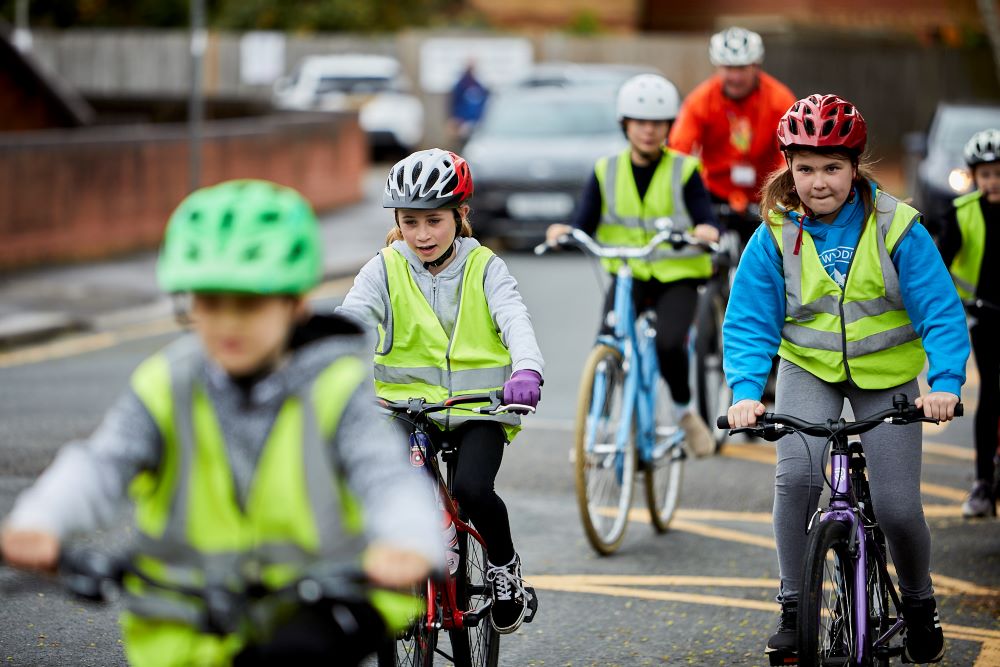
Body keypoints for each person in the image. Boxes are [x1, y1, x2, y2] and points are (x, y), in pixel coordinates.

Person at [0, 180, 443, 667]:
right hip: (183, 628)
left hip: (314, 610)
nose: (228, 324)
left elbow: (384, 477)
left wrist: (407, 540)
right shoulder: (168, 382)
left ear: (295, 305)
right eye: (209, 304)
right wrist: (40, 518)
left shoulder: (334, 388)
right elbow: (103, 464)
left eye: (249, 304)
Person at [723, 94, 969, 664]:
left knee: (899, 507)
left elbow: (940, 310)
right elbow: (750, 322)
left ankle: (918, 601)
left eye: (831, 167)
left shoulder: (897, 227)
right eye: (804, 168)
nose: (817, 181)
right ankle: (792, 608)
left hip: (887, 380)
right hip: (809, 371)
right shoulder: (775, 233)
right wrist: (744, 394)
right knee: (795, 481)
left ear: (855, 166)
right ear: (789, 167)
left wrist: (948, 384)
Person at [336, 148, 544, 635]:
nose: (422, 235)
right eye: (410, 222)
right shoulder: (383, 268)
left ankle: (504, 568)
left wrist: (527, 370)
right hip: (404, 410)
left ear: (461, 215)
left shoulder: (484, 266)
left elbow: (515, 318)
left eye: (434, 220)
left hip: (481, 408)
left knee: (472, 489)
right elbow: (350, 322)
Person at [546, 73, 720, 457]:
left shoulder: (685, 170)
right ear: (625, 125)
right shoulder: (605, 170)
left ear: (668, 127)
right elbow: (584, 221)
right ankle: (592, 431)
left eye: (657, 123)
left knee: (671, 345)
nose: (648, 131)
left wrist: (707, 229)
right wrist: (566, 231)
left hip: (678, 277)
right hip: (628, 274)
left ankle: (684, 412)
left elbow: (706, 217)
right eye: (640, 122)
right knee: (606, 343)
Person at [669, 26, 796, 244]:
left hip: (765, 193)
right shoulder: (700, 101)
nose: (735, 77)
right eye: (729, 68)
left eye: (742, 68)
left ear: (756, 66)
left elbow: (790, 152)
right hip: (714, 192)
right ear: (717, 66)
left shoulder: (780, 99)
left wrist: (783, 190)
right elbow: (678, 151)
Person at [936, 128, 1000, 518]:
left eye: (999, 173)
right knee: (991, 395)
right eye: (986, 174)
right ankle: (981, 483)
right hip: (985, 316)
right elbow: (940, 264)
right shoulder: (961, 213)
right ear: (975, 177)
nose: (993, 182)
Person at [449, 62, 489, 144]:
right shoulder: (461, 85)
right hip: (462, 120)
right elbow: (454, 102)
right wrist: (454, 118)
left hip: (476, 121)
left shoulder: (478, 84)